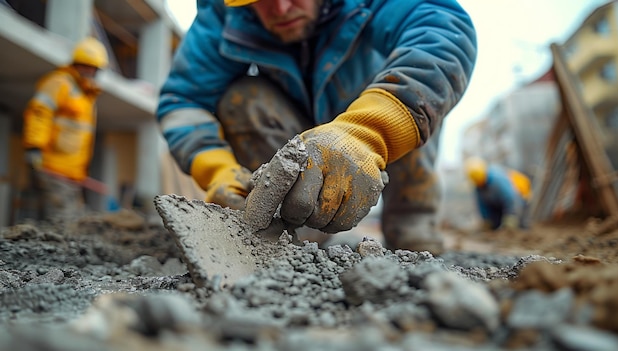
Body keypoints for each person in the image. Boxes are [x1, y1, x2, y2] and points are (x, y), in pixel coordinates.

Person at [157, 0, 477, 254]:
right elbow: (183, 101)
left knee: (413, 93)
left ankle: (412, 224)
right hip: (293, 131)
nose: (281, 8)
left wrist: (368, 132)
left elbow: (443, 32)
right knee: (242, 99)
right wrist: (216, 169)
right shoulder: (224, 12)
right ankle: (292, 234)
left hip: (369, 107)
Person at [22, 36, 108, 220]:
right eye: (87, 66)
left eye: (94, 68)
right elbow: (39, 113)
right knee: (62, 223)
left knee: (72, 223)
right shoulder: (59, 83)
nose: (90, 72)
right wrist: (34, 147)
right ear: (78, 64)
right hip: (53, 168)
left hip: (72, 174)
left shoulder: (86, 96)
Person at [464, 157, 532, 231]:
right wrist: (486, 220)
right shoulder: (478, 186)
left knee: (520, 224)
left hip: (520, 195)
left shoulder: (498, 180)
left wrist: (511, 216)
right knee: (496, 225)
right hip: (499, 203)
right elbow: (482, 204)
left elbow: (511, 198)